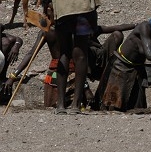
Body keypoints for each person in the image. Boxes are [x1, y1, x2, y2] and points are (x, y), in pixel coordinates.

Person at [1, 22, 136, 108]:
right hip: (58, 73)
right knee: (51, 108)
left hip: (71, 72)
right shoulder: (47, 32)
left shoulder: (71, 31)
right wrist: (13, 76)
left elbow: (79, 60)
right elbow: (31, 54)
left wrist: (85, 87)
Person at [0, 24, 23, 102]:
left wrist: (16, 46)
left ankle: (2, 78)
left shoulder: (5, 40)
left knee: (6, 44)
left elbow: (18, 39)